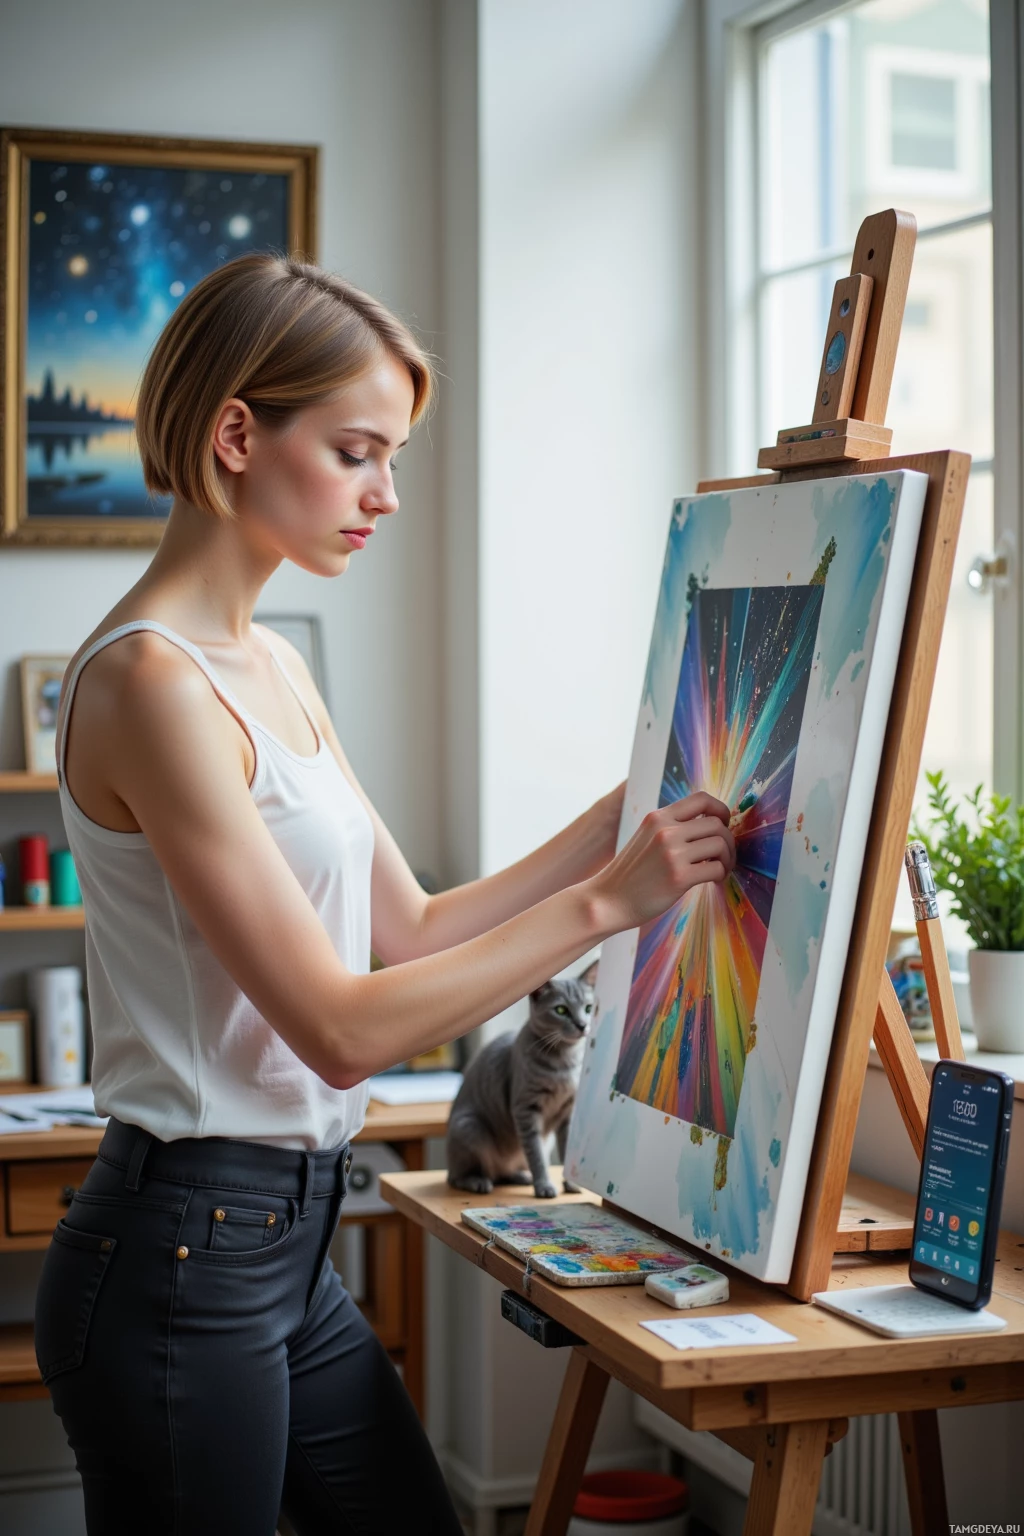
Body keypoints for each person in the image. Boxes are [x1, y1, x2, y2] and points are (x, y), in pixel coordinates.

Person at [35, 253, 736, 1536]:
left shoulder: (273, 669)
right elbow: (346, 1026)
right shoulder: (152, 686)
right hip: (186, 1252)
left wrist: (610, 827)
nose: (388, 494)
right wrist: (603, 907)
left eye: (393, 456)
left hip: (289, 1249)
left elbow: (407, 927)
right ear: (237, 434)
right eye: (359, 452)